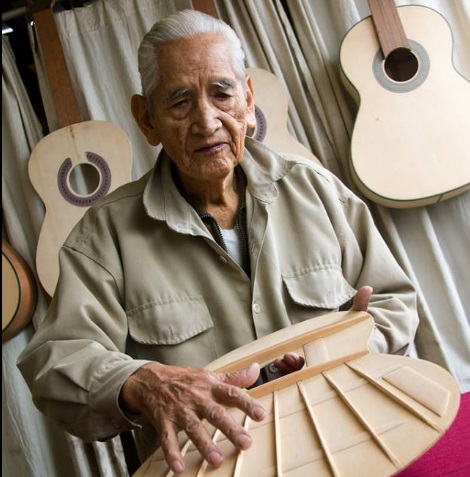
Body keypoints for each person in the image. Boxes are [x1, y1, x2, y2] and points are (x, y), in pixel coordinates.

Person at [18, 9, 419, 474]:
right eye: (180, 102)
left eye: (222, 93)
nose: (207, 121)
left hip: (352, 453)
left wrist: (351, 343)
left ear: (248, 99)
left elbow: (394, 300)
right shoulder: (103, 236)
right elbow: (55, 363)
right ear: (146, 119)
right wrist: (141, 383)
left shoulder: (317, 190)